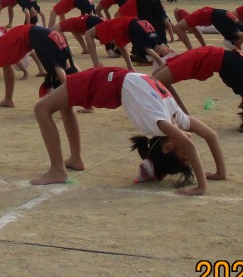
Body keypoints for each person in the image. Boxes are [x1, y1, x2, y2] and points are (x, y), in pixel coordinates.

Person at [29, 66, 225, 193]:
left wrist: (201, 185)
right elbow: (211, 135)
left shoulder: (156, 122)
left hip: (108, 82)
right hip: (113, 79)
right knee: (63, 103)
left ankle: (57, 170)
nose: (189, 149)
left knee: (42, 109)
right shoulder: (177, 118)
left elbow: (189, 145)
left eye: (184, 157)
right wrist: (219, 173)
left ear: (168, 146)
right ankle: (75, 159)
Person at [0, 23, 76, 116]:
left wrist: (70, 102)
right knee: (6, 61)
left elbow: (63, 73)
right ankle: (8, 100)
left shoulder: (62, 57)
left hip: (24, 34)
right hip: (24, 35)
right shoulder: (61, 59)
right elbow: (64, 73)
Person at [87, 16, 169, 71]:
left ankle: (96, 63)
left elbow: (154, 55)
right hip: (131, 23)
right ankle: (130, 68)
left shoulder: (154, 44)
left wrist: (162, 64)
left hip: (125, 24)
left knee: (88, 34)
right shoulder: (157, 40)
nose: (166, 49)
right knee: (120, 45)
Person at [171, 7, 243, 55]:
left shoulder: (236, 29)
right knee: (181, 27)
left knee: (184, 27)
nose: (240, 44)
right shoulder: (234, 31)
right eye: (239, 44)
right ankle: (193, 49)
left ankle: (194, 49)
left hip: (207, 15)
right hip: (205, 14)